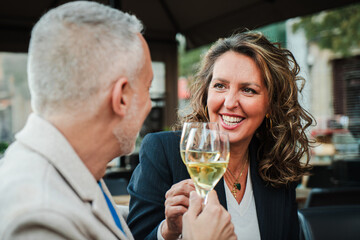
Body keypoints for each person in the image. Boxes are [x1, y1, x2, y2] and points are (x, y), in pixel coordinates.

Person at [0, 2, 236, 240]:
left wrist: (169, 229)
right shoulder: (38, 218)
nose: (149, 105)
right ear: (121, 97)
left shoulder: (72, 168)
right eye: (147, 88)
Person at [127, 32, 314, 240]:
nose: (230, 102)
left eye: (248, 90)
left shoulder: (276, 166)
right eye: (220, 86)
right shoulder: (164, 151)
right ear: (207, 93)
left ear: (270, 105)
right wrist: (168, 231)